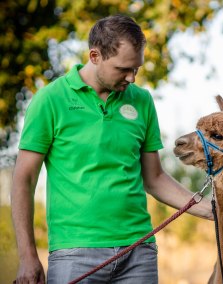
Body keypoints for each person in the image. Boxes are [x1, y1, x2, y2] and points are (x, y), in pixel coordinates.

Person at [11, 14, 212, 284]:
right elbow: (24, 179)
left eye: (136, 69)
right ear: (95, 56)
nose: (131, 77)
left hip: (138, 252)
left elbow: (154, 178)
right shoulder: (50, 100)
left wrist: (211, 210)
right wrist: (27, 256)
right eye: (123, 69)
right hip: (75, 254)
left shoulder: (142, 101)